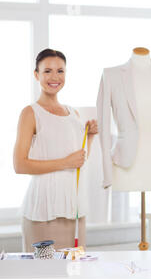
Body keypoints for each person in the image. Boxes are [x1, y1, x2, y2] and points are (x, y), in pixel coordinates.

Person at [13, 48, 98, 252]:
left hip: (74, 209)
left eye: (60, 71)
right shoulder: (30, 113)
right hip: (43, 210)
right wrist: (65, 162)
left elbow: (79, 162)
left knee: (74, 275)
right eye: (47, 71)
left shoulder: (73, 113)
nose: (54, 77)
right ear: (37, 75)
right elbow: (19, 165)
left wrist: (91, 137)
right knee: (42, 276)